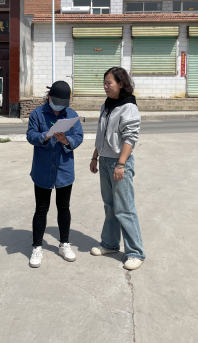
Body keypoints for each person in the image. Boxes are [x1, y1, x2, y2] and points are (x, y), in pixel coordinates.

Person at [89, 67, 146, 270]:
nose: (105, 87)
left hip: (119, 162)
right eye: (104, 83)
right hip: (104, 161)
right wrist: (95, 156)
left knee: (124, 208)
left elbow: (131, 138)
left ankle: (135, 252)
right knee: (110, 205)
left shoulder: (128, 107)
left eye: (109, 83)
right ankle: (110, 244)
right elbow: (101, 134)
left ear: (121, 84)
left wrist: (121, 164)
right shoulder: (106, 105)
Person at [26, 81, 84, 268]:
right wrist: (45, 136)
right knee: (41, 209)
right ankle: (37, 246)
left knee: (64, 207)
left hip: (64, 170)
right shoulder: (37, 114)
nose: (59, 106)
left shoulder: (71, 115)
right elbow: (30, 135)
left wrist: (66, 140)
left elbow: (79, 137)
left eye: (63, 104)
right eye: (56, 102)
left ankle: (64, 243)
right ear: (49, 97)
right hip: (43, 169)